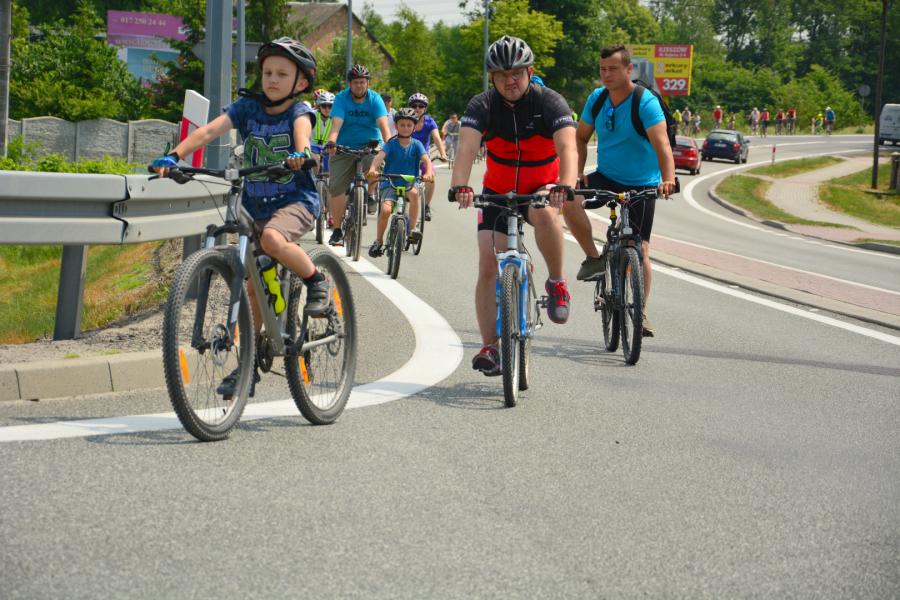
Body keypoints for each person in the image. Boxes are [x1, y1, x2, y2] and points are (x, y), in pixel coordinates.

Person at [149, 38, 329, 395]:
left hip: (295, 200)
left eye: (282, 74)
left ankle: (316, 280)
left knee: (273, 239)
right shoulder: (248, 107)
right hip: (255, 203)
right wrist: (175, 156)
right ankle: (247, 366)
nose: (272, 79)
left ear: (301, 82)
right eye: (267, 72)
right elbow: (208, 130)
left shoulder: (300, 111)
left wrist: (301, 154)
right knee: (253, 287)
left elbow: (302, 136)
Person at [449, 35, 577, 376]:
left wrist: (565, 184)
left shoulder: (549, 101)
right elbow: (466, 148)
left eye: (517, 73)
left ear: (529, 72)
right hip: (497, 192)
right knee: (487, 264)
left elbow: (568, 148)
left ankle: (556, 282)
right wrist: (460, 184)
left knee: (546, 214)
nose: (510, 81)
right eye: (502, 75)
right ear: (492, 78)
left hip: (540, 188)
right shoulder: (482, 105)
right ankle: (490, 347)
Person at [565, 43, 676, 338]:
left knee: (640, 249)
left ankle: (640, 311)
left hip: (643, 182)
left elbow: (662, 144)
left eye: (613, 69)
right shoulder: (597, 99)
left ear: (629, 69)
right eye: (602, 69)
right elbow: (580, 137)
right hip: (607, 176)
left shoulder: (644, 102)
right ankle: (594, 259)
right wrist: (577, 172)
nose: (606, 74)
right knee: (569, 200)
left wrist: (668, 179)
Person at [324, 64, 392, 246]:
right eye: (356, 82)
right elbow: (336, 124)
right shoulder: (341, 98)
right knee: (337, 187)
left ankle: (370, 193)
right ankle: (337, 230)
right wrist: (332, 142)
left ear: (368, 83)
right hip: (343, 147)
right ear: (350, 84)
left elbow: (383, 126)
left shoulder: (375, 99)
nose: (359, 86)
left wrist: (390, 145)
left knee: (376, 166)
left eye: (362, 82)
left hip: (370, 145)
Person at [365, 107, 435, 257]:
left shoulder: (417, 144)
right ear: (396, 126)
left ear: (414, 127)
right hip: (390, 181)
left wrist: (428, 172)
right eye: (402, 125)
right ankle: (378, 241)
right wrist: (373, 168)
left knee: (414, 194)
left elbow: (426, 160)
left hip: (409, 182)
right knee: (385, 210)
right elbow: (379, 157)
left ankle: (412, 230)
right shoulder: (391, 144)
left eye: (409, 125)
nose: (405, 128)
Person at [408, 92, 448, 221]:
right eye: (414, 106)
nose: (417, 108)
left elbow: (436, 138)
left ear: (425, 108)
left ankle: (426, 206)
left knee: (431, 179)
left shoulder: (429, 122)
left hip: (423, 158)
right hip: (407, 158)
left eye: (421, 106)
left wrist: (443, 153)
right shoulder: (406, 120)